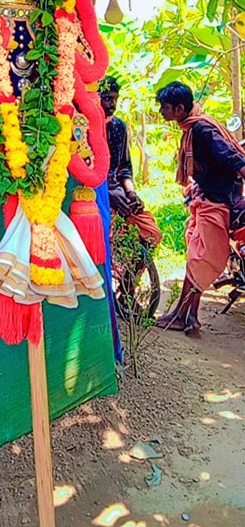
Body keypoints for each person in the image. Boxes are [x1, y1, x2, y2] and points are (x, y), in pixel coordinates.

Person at [155, 81, 245, 334]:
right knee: (195, 258)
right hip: (205, 198)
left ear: (179, 108)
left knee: (200, 258)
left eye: (165, 107)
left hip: (217, 203)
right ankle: (185, 313)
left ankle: (188, 315)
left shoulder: (202, 129)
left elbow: (231, 157)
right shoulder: (193, 127)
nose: (162, 112)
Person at [99, 76, 162, 249]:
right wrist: (108, 194)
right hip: (94, 194)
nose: (112, 104)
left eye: (115, 99)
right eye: (107, 99)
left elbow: (124, 167)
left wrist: (131, 193)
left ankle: (129, 277)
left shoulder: (118, 126)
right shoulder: (82, 127)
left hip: (118, 192)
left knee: (151, 234)